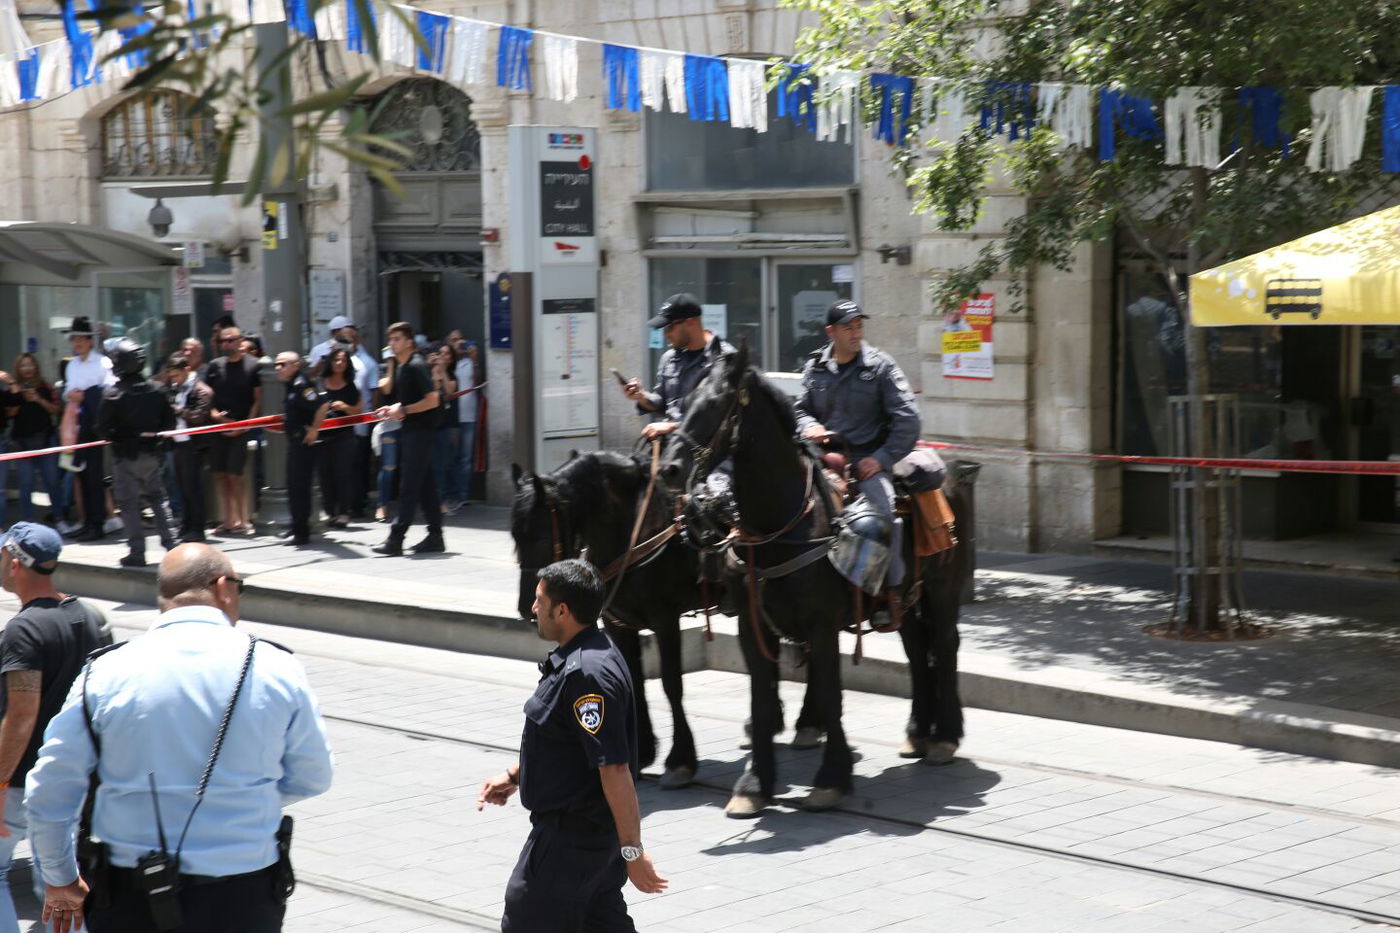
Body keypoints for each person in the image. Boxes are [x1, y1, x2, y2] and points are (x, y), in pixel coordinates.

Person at [24, 543, 334, 933]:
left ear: (164, 596)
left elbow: (51, 789)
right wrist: (240, 795)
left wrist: (59, 877)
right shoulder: (277, 667)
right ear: (224, 587)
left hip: (130, 895)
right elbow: (313, 776)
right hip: (244, 896)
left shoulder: (106, 671)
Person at [477, 559, 667, 932]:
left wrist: (634, 851)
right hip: (589, 840)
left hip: (570, 842)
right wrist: (517, 774)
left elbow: (613, 767)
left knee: (526, 918)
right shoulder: (592, 652)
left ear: (562, 610)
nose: (533, 609)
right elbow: (569, 743)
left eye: (539, 600)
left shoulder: (586, 675)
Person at [0, 522, 112, 933]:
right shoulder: (90, 616)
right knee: (57, 882)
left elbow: (21, 716)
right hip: (75, 776)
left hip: (22, 782)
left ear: (15, 563)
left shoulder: (23, 629)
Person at [794, 299, 921, 605]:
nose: (855, 333)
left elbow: (909, 420)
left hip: (866, 462)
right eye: (847, 327)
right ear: (831, 332)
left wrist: (880, 460)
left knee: (885, 515)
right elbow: (799, 410)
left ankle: (890, 592)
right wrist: (809, 425)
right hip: (821, 460)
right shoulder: (815, 366)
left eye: (858, 326)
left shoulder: (880, 366)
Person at [98, 339, 177, 569]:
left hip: (125, 458)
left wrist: (119, 436)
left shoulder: (113, 395)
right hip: (152, 455)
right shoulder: (158, 389)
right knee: (158, 498)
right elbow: (169, 423)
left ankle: (137, 552)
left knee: (129, 503)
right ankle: (172, 546)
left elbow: (102, 428)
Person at [372, 323, 443, 557]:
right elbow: (407, 404)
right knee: (426, 487)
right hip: (413, 431)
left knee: (408, 487)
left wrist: (403, 410)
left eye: (397, 339)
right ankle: (436, 537)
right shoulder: (403, 366)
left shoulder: (415, 365)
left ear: (409, 342)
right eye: (391, 339)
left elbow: (433, 400)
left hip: (420, 433)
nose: (392, 343)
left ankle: (396, 539)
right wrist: (394, 409)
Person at [622, 294, 733, 442]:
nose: (665, 334)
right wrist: (641, 396)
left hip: (709, 454)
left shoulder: (725, 358)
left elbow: (725, 416)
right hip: (671, 447)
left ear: (691, 322)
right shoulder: (669, 358)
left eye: (670, 327)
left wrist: (673, 426)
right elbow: (661, 402)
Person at [57, 318, 115, 541]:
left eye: (81, 338)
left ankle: (98, 523)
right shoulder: (72, 365)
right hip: (76, 424)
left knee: (94, 475)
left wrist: (87, 394)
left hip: (94, 425)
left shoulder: (103, 363)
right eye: (74, 339)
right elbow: (68, 391)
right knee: (79, 473)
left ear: (90, 341)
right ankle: (87, 520)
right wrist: (79, 394)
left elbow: (109, 390)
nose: (76, 343)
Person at [204, 324, 262, 535]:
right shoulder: (214, 366)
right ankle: (227, 520)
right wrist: (213, 414)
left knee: (235, 474)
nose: (226, 344)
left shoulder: (253, 365)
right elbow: (206, 396)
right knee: (220, 474)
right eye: (222, 341)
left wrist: (245, 426)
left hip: (241, 428)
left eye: (230, 340)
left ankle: (242, 520)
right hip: (218, 426)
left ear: (239, 341)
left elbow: (257, 400)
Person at [0, 356, 64, 529]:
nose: (27, 369)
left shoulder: (46, 387)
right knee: (26, 484)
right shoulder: (12, 390)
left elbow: (57, 411)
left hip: (46, 440)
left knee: (52, 482)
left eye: (30, 365)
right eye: (23, 365)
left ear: (36, 367)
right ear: (18, 369)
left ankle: (59, 518)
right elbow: (8, 414)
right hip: (22, 443)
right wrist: (20, 399)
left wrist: (38, 399)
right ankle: (28, 523)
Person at [276, 352, 329, 547]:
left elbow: (322, 405)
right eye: (276, 364)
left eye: (282, 364)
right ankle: (295, 525)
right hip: (294, 441)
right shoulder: (291, 384)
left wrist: (315, 429)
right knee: (293, 486)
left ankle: (301, 532)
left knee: (300, 488)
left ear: (296, 365)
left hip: (303, 444)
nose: (278, 368)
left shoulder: (302, 385)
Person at [165, 353, 214, 543]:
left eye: (176, 375)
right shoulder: (176, 389)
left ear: (186, 370)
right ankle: (186, 525)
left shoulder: (201, 390)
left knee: (193, 488)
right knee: (182, 488)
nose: (174, 380)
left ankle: (197, 528)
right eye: (171, 376)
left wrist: (177, 410)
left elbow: (199, 417)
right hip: (178, 443)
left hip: (194, 446)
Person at [316, 348, 360, 529]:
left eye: (343, 360)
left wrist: (345, 407)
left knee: (342, 474)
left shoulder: (351, 386)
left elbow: (359, 411)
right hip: (322, 436)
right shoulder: (320, 384)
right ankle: (329, 512)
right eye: (336, 360)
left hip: (344, 436)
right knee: (324, 475)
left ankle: (344, 512)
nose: (339, 363)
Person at [427, 342, 459, 517]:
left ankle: (444, 500)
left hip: (445, 425)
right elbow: (430, 390)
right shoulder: (427, 371)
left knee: (444, 464)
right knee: (432, 465)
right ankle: (434, 500)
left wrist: (442, 370)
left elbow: (448, 392)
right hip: (429, 425)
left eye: (447, 354)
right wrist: (432, 368)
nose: (443, 357)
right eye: (441, 353)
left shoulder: (452, 375)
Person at [447, 337, 480, 510]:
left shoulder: (468, 363)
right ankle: (452, 494)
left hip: (469, 416)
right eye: (454, 341)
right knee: (451, 458)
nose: (459, 343)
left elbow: (476, 382)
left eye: (461, 340)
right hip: (453, 418)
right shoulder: (448, 364)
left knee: (466, 459)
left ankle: (463, 495)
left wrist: (475, 360)